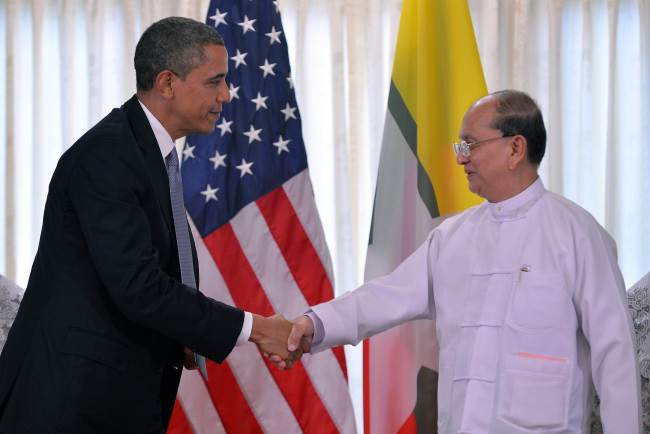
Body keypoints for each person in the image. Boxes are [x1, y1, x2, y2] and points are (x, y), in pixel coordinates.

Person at [276, 90, 642, 433]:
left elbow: (616, 354)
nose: (459, 156)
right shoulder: (453, 237)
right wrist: (316, 323)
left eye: (470, 144)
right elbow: (384, 297)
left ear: (515, 148)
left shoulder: (577, 234)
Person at [0, 17, 294, 434]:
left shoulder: (144, 153)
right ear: (167, 83)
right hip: (69, 403)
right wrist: (256, 328)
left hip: (111, 396)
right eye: (215, 81)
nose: (226, 95)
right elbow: (138, 287)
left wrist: (183, 333)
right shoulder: (107, 156)